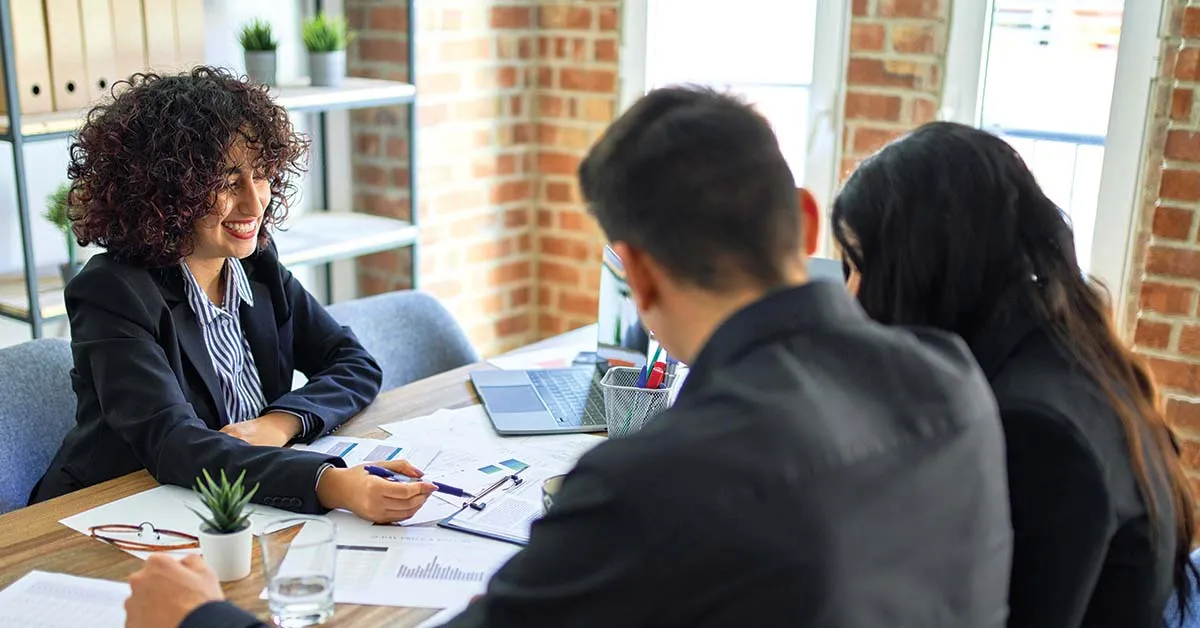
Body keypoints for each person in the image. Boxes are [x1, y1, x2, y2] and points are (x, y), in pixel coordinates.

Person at [132, 85, 1014, 628]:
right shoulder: (955, 382)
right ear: (809, 220)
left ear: (632, 273)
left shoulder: (655, 479)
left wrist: (201, 620)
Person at [832, 121, 1197, 627]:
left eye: (856, 267)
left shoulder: (1034, 428)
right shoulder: (1063, 356)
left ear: (925, 270)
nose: (849, 298)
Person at [29, 67, 435, 524]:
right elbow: (174, 444)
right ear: (166, 191)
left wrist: (279, 424)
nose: (254, 202)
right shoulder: (112, 293)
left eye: (260, 174)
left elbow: (354, 363)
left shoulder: (256, 265)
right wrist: (327, 482)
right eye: (226, 180)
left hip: (227, 505)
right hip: (108, 513)